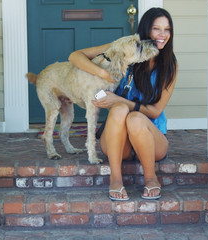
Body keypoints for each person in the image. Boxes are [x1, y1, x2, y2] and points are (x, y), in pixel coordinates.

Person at [68, 8, 177, 200]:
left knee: (134, 117)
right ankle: (115, 179)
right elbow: (75, 56)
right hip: (119, 141)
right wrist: (103, 74)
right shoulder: (123, 48)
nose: (162, 35)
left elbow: (155, 111)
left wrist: (120, 100)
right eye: (156, 29)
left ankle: (151, 178)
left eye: (167, 29)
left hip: (151, 138)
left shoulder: (169, 65)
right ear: (146, 30)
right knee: (119, 110)